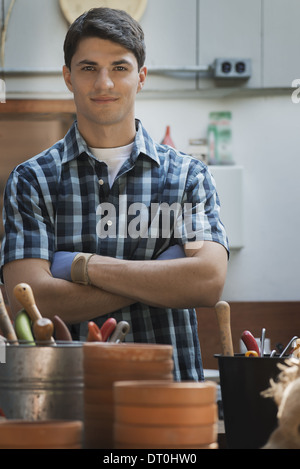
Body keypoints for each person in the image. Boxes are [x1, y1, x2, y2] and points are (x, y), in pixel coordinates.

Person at [0, 7, 228, 381]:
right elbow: (32, 299)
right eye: (88, 68)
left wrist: (81, 267)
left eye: (119, 68)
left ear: (140, 78)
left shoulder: (188, 176)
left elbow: (207, 282)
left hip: (168, 398)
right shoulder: (32, 179)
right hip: (70, 398)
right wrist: (164, 277)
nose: (104, 83)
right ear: (68, 77)